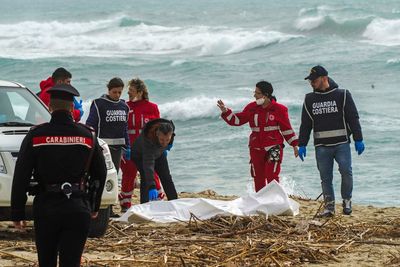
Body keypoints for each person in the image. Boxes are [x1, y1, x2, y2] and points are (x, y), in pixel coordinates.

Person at [11, 84, 107, 267]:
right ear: (72, 108)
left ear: (49, 107)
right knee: (71, 262)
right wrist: (94, 205)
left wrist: (17, 212)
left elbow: (21, 175)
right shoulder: (88, 136)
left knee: (46, 261)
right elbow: (100, 173)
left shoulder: (36, 135)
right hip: (78, 207)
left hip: (47, 207)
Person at [299, 65, 365, 217]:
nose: (312, 83)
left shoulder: (342, 95)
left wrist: (358, 139)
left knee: (346, 172)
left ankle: (347, 200)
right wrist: (301, 143)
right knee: (325, 178)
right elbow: (306, 124)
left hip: (342, 143)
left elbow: (353, 118)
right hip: (321, 146)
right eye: (310, 80)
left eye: (314, 80)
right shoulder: (309, 99)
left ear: (324, 78)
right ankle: (329, 207)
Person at [217, 81, 299, 192]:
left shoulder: (280, 109)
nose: (254, 95)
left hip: (274, 147)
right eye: (255, 92)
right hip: (256, 148)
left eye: (257, 93)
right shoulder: (251, 107)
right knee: (258, 177)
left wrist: (295, 145)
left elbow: (286, 129)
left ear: (266, 95)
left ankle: (276, 200)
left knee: (272, 175)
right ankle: (261, 203)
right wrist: (226, 112)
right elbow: (237, 120)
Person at [119, 78, 165, 211]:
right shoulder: (125, 107)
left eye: (131, 91)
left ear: (140, 92)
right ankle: (125, 204)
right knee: (128, 174)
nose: (128, 94)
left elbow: (159, 128)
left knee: (152, 173)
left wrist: (161, 147)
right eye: (128, 92)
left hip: (148, 147)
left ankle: (157, 201)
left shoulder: (152, 107)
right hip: (129, 147)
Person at [86, 77, 130, 172]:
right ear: (109, 90)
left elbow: (125, 128)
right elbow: (90, 125)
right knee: (101, 174)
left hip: (117, 149)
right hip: (102, 147)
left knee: (114, 174)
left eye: (119, 92)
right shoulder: (99, 104)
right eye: (114, 92)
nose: (117, 95)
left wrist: (128, 146)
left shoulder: (124, 106)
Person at [131, 118, 178, 204]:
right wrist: (152, 187)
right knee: (146, 178)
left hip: (159, 153)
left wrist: (170, 143)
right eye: (162, 140)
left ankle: (175, 203)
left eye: (167, 140)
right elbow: (148, 166)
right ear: (157, 134)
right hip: (140, 155)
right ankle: (145, 206)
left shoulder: (170, 128)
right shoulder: (148, 140)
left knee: (166, 177)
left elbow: (171, 136)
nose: (164, 143)